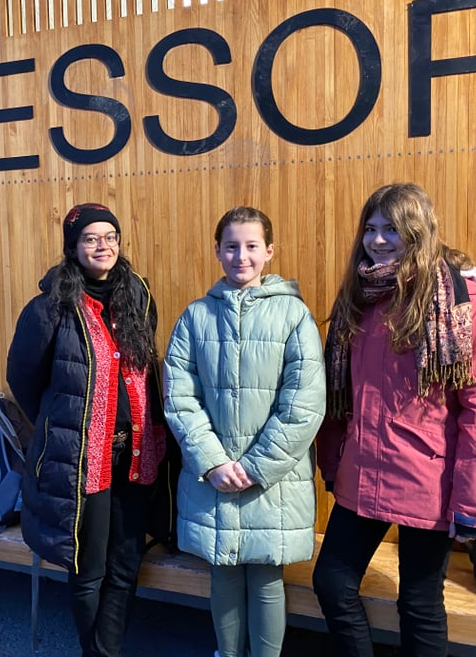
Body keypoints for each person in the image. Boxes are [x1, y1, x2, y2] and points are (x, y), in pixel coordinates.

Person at [312, 182, 476, 657]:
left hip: (429, 480)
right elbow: (342, 394)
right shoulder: (358, 297)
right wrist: (332, 457)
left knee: (420, 602)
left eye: (393, 229)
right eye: (372, 228)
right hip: (363, 472)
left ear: (418, 231)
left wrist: (475, 501)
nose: (379, 240)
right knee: (332, 583)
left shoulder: (461, 300)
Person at [6, 202, 174, 657]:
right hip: (81, 461)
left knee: (125, 562)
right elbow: (24, 380)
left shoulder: (137, 295)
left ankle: (106, 650)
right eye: (91, 239)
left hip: (137, 453)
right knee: (88, 568)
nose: (104, 246)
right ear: (73, 247)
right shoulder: (49, 308)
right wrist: (64, 426)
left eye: (111, 237)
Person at [163, 206, 325, 657]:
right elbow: (179, 396)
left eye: (252, 246)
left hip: (272, 479)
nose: (241, 256)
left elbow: (305, 403)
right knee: (224, 571)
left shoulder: (294, 315)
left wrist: (254, 467)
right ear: (217, 251)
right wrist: (212, 461)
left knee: (267, 574)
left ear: (269, 251)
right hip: (212, 476)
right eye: (231, 246)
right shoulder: (195, 317)